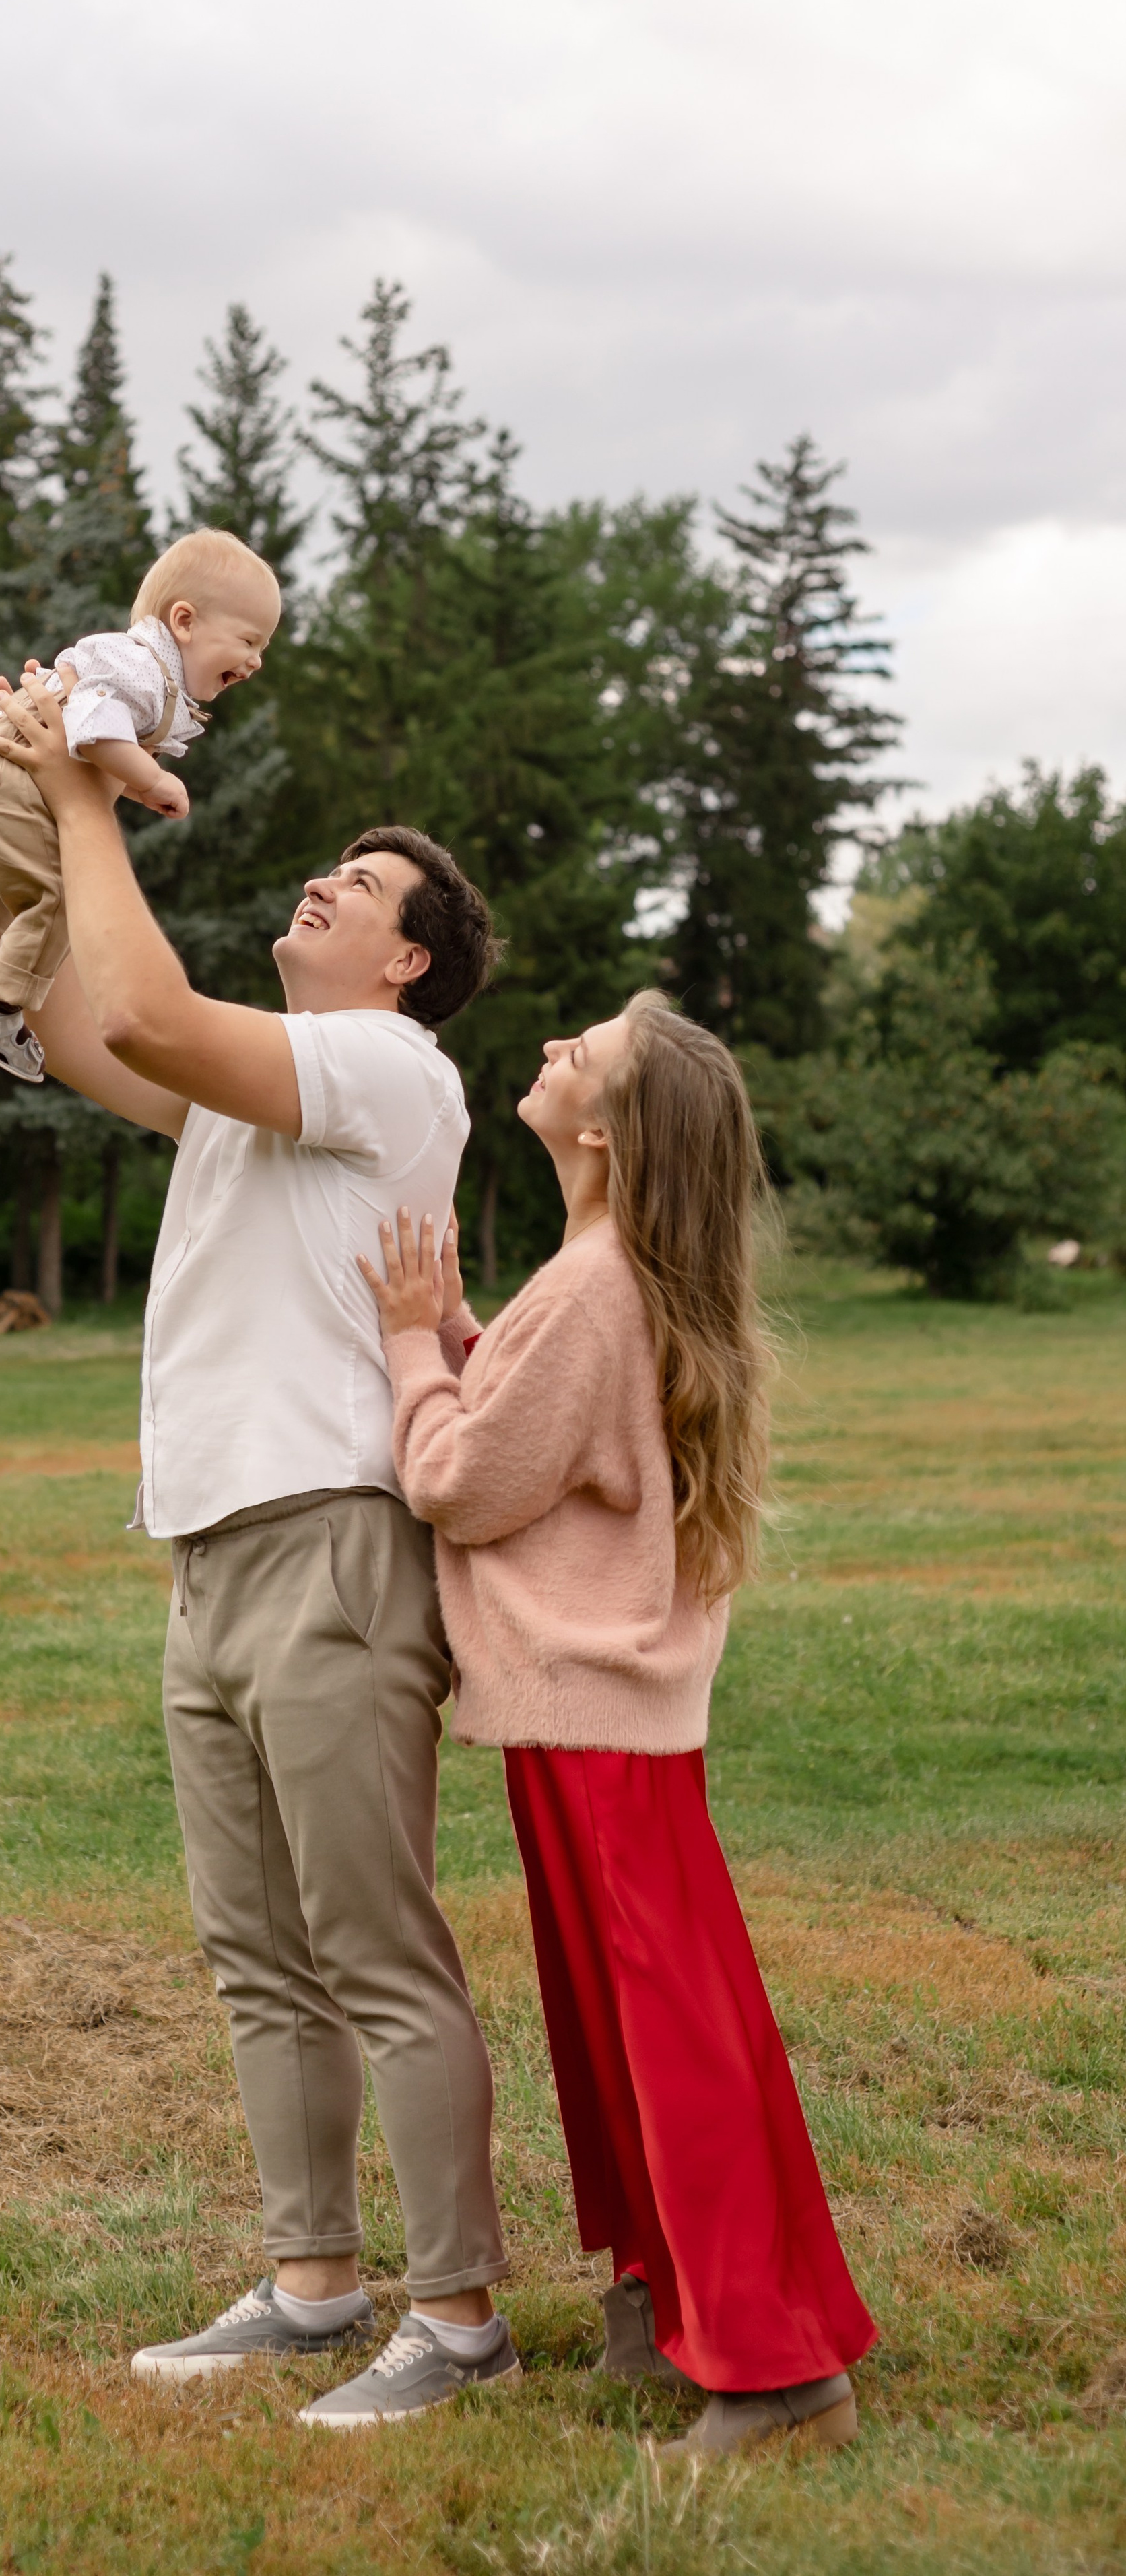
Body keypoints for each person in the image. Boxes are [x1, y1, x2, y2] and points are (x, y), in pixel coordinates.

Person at [0, 671, 519, 2430]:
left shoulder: (382, 1067)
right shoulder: (256, 1090)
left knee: (376, 1951)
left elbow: (144, 996)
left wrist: (87, 787)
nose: (321, 889)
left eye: (358, 892)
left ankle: (455, 2315)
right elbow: (78, 1018)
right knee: (257, 1955)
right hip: (210, 1561)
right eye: (326, 874)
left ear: (409, 963)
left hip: (336, 1551)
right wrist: (14, 799)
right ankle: (311, 2286)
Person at [359, 991, 878, 2457]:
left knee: (668, 2036)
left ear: (603, 1130)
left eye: (576, 1052)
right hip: (593, 1723)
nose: (546, 1052)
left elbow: (464, 1480)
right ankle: (664, 2300)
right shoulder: (595, 1275)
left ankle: (771, 2369)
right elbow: (538, 1419)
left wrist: (412, 1349)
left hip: (594, 1725)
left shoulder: (595, 1286)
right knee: (624, 2029)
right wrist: (463, 1331)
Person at [0, 527, 280, 1100]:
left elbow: (91, 749)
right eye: (250, 641)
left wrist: (134, 786)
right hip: (10, 787)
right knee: (59, 896)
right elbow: (92, 730)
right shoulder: (143, 668)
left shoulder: (150, 677)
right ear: (185, 622)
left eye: (263, 650)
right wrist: (152, 777)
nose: (255, 662)